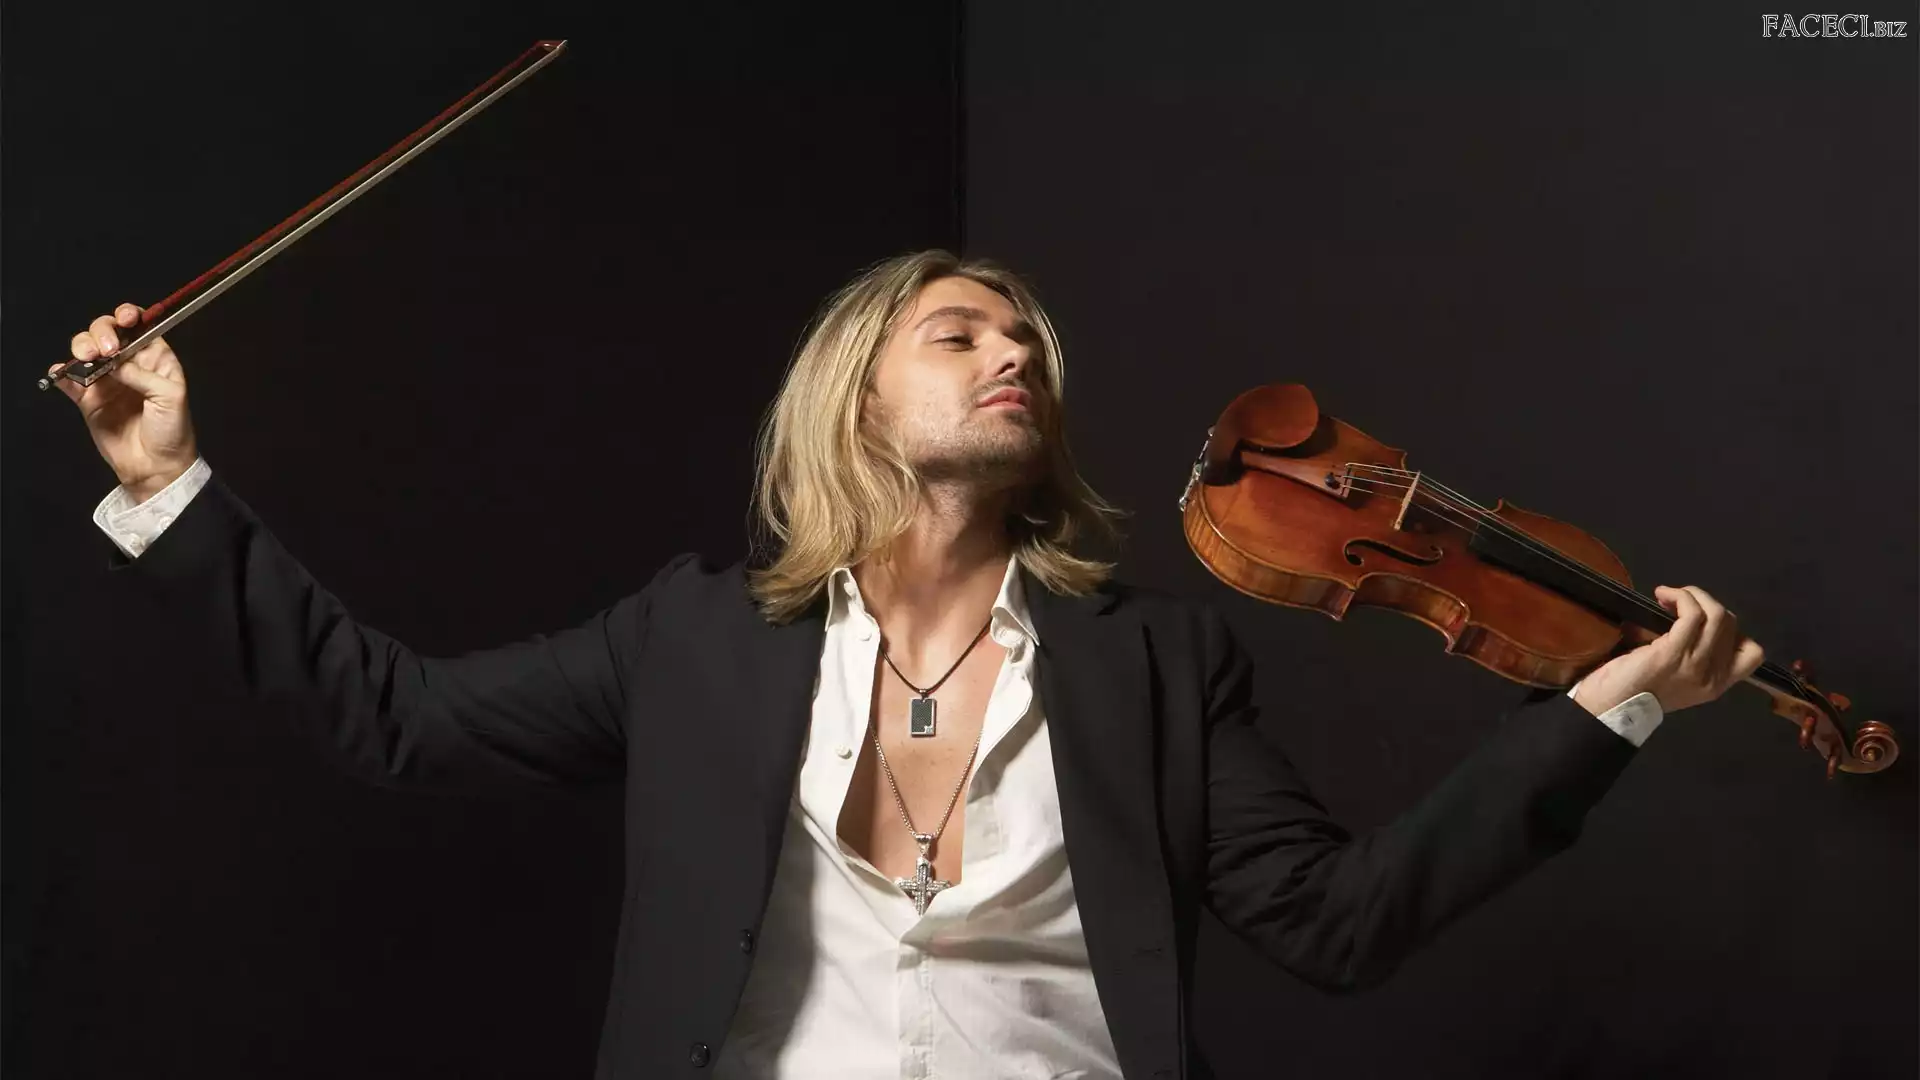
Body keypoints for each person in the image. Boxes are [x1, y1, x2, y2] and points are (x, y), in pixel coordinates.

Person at [57, 250, 1763, 1080]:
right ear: (856, 393)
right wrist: (172, 487)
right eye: (959, 332)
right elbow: (397, 721)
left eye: (1026, 342)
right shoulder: (693, 636)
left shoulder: (1156, 662)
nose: (1011, 353)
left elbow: (1339, 924)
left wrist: (1604, 708)